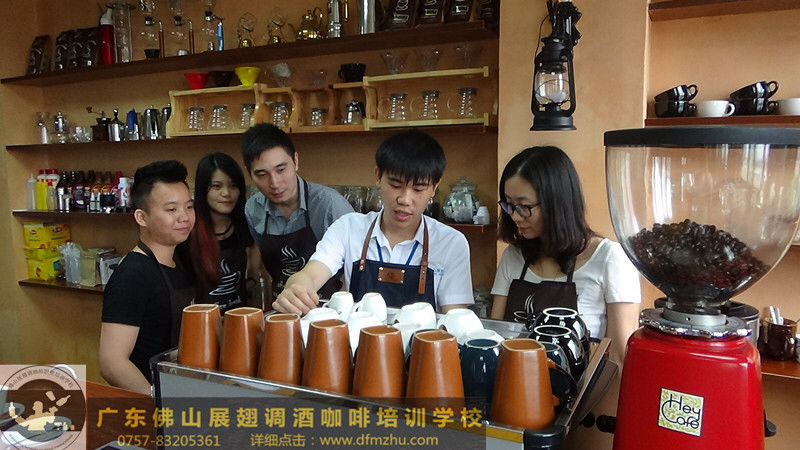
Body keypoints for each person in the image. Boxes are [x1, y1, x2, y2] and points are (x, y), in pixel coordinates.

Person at [273, 130, 474, 314]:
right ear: (378, 176)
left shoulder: (451, 243)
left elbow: (454, 318)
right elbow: (311, 274)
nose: (405, 199)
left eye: (418, 189)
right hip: (358, 341)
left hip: (422, 343)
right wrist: (296, 288)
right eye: (395, 185)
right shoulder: (348, 228)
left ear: (435, 187)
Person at [490, 146, 641, 364]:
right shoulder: (513, 257)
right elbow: (496, 338)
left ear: (557, 203)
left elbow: (618, 358)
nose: (515, 216)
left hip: (584, 386)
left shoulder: (610, 259)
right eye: (509, 205)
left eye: (524, 206)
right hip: (516, 380)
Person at [99, 160, 195, 395]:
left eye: (189, 207)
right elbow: (112, 363)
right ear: (142, 217)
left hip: (179, 387)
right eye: (171, 210)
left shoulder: (178, 260)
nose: (184, 217)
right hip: (154, 399)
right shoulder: (132, 275)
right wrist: (157, 404)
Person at [242, 124, 353, 300]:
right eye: (262, 174)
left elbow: (355, 268)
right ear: (249, 173)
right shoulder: (253, 209)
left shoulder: (330, 206)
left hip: (328, 306)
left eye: (281, 170)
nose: (275, 183)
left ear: (295, 161)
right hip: (283, 305)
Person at [183, 152, 260, 312]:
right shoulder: (187, 231)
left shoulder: (246, 224)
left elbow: (254, 279)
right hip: (202, 321)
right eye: (216, 186)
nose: (226, 193)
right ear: (203, 189)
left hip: (239, 318)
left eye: (233, 185)